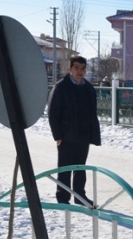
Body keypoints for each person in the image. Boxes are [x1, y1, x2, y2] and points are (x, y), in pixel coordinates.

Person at [48, 56, 101, 206]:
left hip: (83, 134)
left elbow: (92, 113)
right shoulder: (61, 87)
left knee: (80, 167)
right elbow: (53, 113)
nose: (80, 71)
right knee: (65, 168)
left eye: (82, 68)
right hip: (66, 135)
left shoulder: (88, 88)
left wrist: (93, 134)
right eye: (76, 68)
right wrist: (58, 135)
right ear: (69, 68)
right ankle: (63, 197)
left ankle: (79, 196)